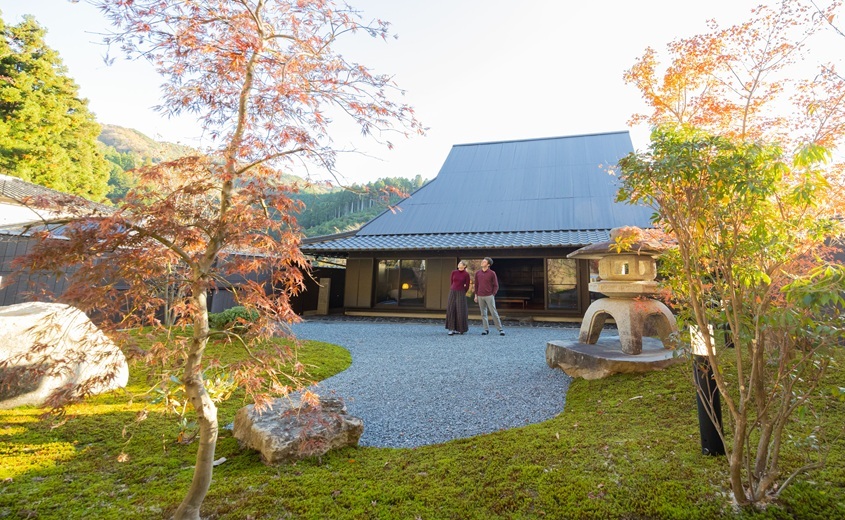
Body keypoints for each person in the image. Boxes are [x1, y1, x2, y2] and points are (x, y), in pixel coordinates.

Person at [473, 257, 504, 335]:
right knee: (483, 313)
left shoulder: (492, 273)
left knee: (493, 312)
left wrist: (492, 294)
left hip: (489, 295)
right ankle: (485, 329)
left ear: (488, 264)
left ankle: (500, 329)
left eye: (484, 262)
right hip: (480, 295)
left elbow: (496, 285)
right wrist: (476, 295)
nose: (482, 262)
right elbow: (476, 285)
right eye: (482, 261)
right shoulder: (478, 273)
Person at [445, 260, 471, 335]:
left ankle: (460, 329)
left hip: (461, 292)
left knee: (460, 310)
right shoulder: (454, 272)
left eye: (460, 264)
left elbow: (467, 285)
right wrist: (453, 288)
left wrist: (463, 291)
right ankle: (451, 328)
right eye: (459, 263)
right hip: (453, 291)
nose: (459, 264)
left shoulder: (466, 274)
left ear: (464, 266)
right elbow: (451, 282)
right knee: (451, 308)